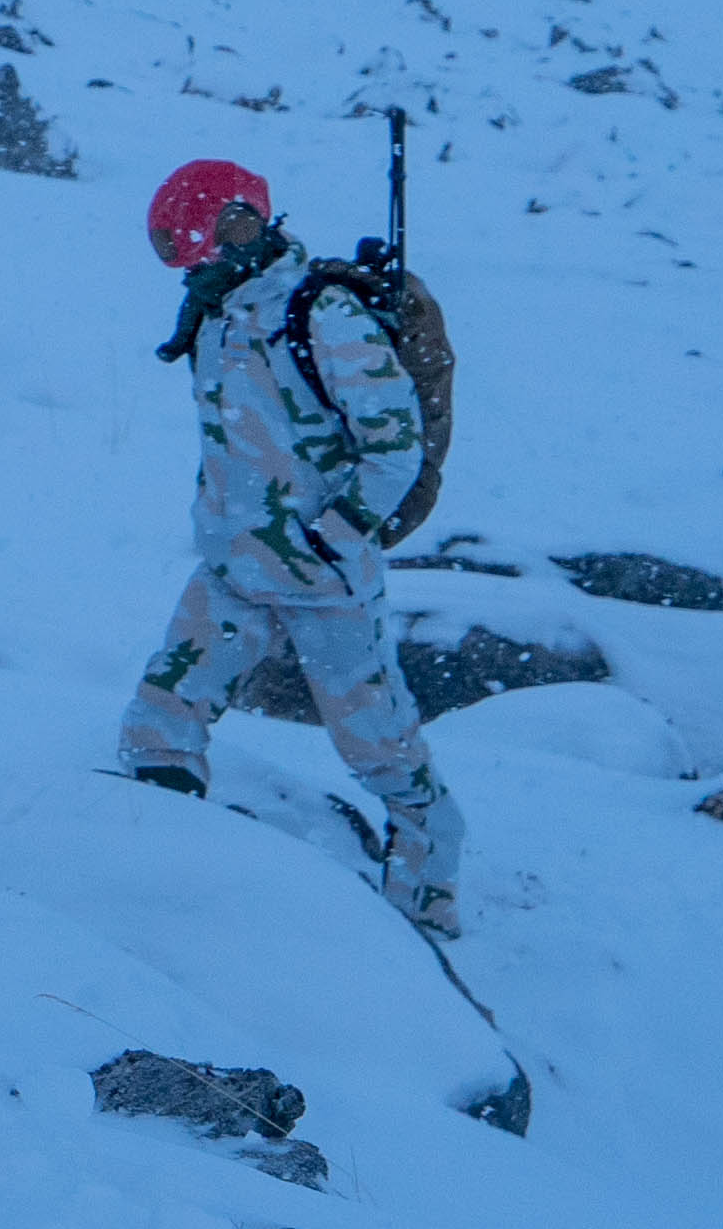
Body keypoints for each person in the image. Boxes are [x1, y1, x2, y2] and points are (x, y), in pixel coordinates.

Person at [121, 156, 465, 936]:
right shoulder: (215, 314)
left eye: (196, 239)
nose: (190, 260)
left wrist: (333, 535)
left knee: (378, 746)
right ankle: (144, 872)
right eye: (175, 249)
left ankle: (426, 893)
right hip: (234, 566)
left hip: (325, 579)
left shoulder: (323, 315)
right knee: (160, 716)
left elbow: (394, 445)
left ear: (242, 221)